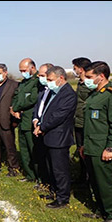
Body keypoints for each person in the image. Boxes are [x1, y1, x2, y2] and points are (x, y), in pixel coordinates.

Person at [81, 61, 112, 222]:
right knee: (95, 181)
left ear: (101, 76)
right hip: (91, 146)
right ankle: (101, 210)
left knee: (107, 183)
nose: (86, 80)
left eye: (89, 77)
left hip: (103, 148)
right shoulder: (94, 95)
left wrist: (111, 147)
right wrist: (84, 145)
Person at [33, 66, 77, 209]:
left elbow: (58, 116)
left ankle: (62, 198)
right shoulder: (53, 92)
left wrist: (42, 127)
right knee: (51, 167)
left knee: (60, 169)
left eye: (50, 79)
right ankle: (54, 191)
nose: (48, 82)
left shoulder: (68, 94)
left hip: (59, 137)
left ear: (61, 78)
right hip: (49, 136)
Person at [11, 58, 39, 182]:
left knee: (34, 151)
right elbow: (16, 97)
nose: (22, 72)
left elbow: (32, 99)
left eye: (24, 70)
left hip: (31, 121)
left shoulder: (37, 82)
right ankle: (30, 175)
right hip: (22, 121)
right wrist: (14, 109)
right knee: (24, 150)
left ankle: (39, 176)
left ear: (32, 68)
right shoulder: (23, 83)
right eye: (21, 70)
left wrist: (16, 107)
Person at [32, 63, 54, 193]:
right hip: (38, 127)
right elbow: (37, 107)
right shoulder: (43, 90)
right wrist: (35, 119)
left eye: (42, 75)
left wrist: (42, 126)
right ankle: (44, 181)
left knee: (51, 160)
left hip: (48, 130)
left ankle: (52, 185)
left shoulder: (55, 92)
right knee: (40, 157)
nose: (39, 77)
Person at [72, 57, 93, 183]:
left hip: (87, 122)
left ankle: (90, 178)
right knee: (80, 150)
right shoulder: (80, 83)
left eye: (75, 68)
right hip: (78, 122)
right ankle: (82, 176)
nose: (74, 71)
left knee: (87, 151)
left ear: (81, 69)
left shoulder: (90, 83)